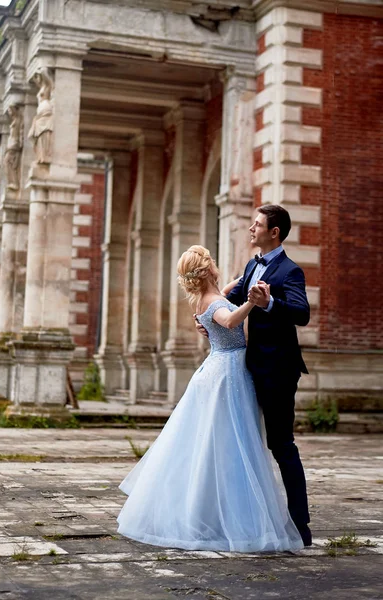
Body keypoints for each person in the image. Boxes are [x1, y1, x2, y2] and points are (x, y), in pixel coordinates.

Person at [117, 245, 304, 553]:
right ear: (208, 270)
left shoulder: (212, 296)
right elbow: (229, 322)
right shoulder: (216, 302)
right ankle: (222, 515)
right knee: (230, 442)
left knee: (216, 442)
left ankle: (209, 508)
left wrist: (236, 287)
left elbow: (226, 293)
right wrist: (251, 304)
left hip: (219, 369)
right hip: (227, 372)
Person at [213, 204, 312, 547]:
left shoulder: (290, 272)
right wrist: (209, 316)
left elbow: (302, 313)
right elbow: (235, 302)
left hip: (279, 371)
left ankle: (300, 523)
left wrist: (270, 304)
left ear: (275, 232)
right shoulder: (252, 265)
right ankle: (245, 517)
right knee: (243, 441)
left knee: (280, 444)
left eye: (257, 225)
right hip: (248, 367)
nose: (251, 229)